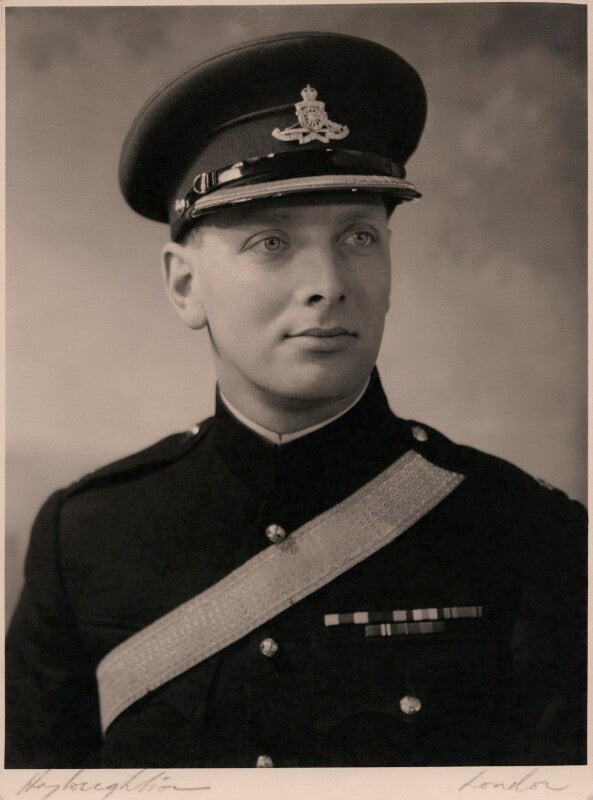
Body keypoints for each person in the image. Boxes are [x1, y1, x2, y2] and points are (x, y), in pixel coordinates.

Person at [6, 31, 586, 769]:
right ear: (184, 286)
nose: (329, 284)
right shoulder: (84, 541)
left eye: (359, 237)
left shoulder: (525, 534)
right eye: (272, 244)